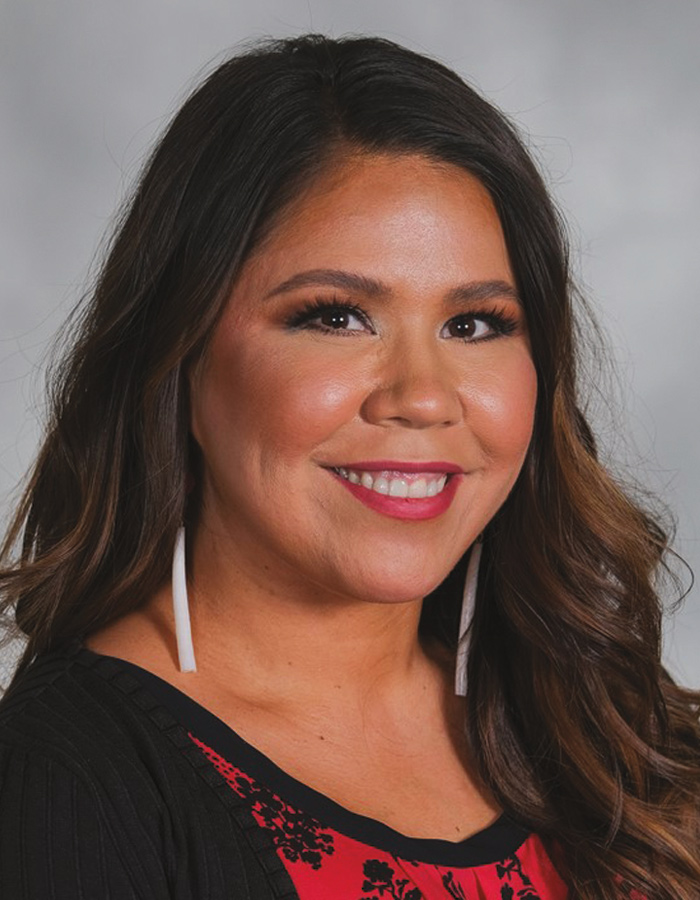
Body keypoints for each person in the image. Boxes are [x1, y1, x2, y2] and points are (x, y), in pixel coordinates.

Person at [0, 33, 698, 900]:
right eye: (336, 316)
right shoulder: (64, 784)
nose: (422, 396)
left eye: (475, 323)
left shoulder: (621, 739)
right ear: (177, 357)